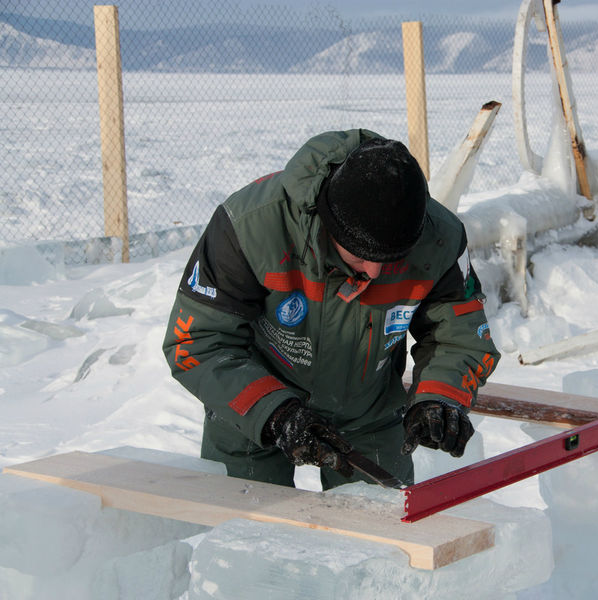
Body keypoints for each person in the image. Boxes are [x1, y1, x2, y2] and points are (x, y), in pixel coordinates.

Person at [162, 129, 500, 490]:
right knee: (245, 533)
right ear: (328, 224)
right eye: (360, 257)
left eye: (390, 260)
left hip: (370, 414)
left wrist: (440, 398)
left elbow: (460, 338)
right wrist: (274, 413)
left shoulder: (439, 239)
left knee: (379, 539)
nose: (374, 273)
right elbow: (199, 342)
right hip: (250, 411)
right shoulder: (251, 226)